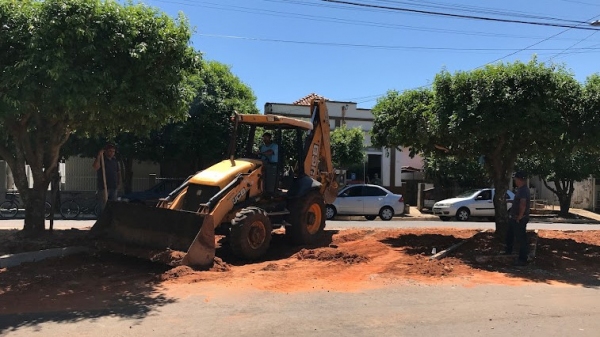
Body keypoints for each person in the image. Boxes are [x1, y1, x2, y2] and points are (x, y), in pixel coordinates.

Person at [505, 171, 531, 266]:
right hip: (514, 218)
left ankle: (523, 259)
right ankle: (508, 252)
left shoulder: (523, 190)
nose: (515, 181)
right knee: (509, 236)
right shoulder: (520, 190)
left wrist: (519, 216)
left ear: (520, 180)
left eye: (515, 179)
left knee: (521, 238)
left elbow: (523, 204)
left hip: (519, 218)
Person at [92, 144, 121, 212]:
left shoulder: (115, 161)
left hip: (113, 186)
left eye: (113, 151)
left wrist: (119, 183)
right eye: (110, 151)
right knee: (103, 207)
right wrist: (99, 156)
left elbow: (118, 172)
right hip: (104, 187)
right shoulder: (102, 159)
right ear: (106, 151)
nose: (112, 153)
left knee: (113, 207)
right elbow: (95, 167)